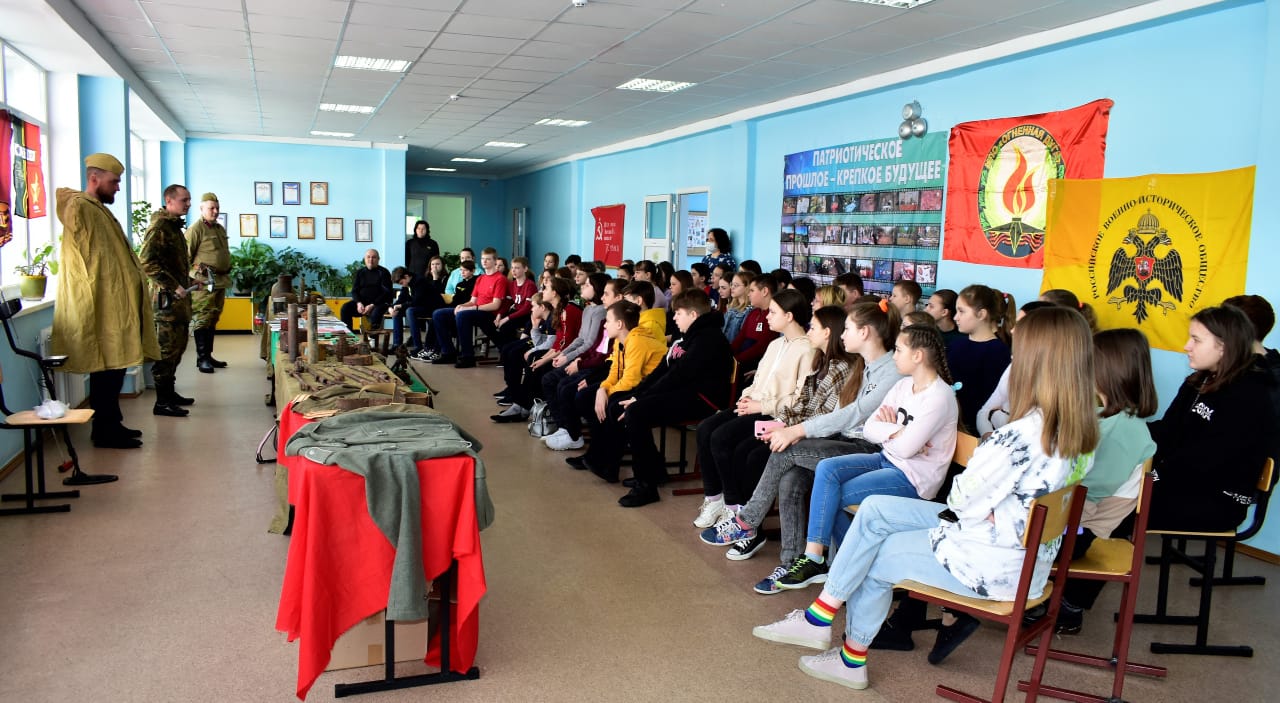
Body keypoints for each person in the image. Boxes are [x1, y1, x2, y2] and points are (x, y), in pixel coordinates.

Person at [751, 306, 1098, 693]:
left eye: (1019, 354)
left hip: (990, 563)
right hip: (1022, 555)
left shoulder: (1017, 437)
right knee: (874, 510)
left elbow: (962, 500)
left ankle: (848, 656)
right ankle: (819, 617)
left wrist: (982, 483)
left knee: (875, 554)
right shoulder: (1079, 432)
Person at [731, 325, 958, 593]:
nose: (894, 355)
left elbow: (906, 449)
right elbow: (871, 429)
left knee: (832, 494)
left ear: (918, 356)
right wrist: (898, 432)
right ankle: (820, 558)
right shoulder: (904, 385)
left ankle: (837, 563)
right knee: (828, 470)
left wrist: (895, 435)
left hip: (912, 478)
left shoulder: (939, 396)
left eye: (899, 350)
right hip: (888, 460)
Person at [702, 301, 904, 589]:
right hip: (843, 441)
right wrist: (795, 429)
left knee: (787, 449)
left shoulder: (891, 371)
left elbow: (855, 414)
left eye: (847, 329)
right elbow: (841, 415)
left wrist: (797, 431)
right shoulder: (864, 365)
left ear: (865, 332)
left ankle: (746, 520)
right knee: (790, 480)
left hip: (866, 451)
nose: (842, 335)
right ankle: (793, 563)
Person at [581, 290, 733, 506]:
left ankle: (646, 486)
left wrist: (640, 399)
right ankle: (645, 469)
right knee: (621, 404)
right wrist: (638, 394)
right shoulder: (686, 335)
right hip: (683, 392)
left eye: (678, 313)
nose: (674, 318)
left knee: (635, 412)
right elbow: (662, 370)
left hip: (703, 400)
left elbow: (678, 375)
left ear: (693, 315)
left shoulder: (709, 338)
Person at [51, 153, 160, 449]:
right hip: (101, 307)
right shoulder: (80, 206)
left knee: (115, 367)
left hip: (114, 306)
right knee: (106, 370)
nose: (118, 187)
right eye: (114, 181)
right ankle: (104, 431)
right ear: (94, 178)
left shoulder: (98, 209)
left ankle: (112, 423)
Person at [1148, 305, 1277, 533]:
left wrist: (1153, 478)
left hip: (1218, 501)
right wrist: (1128, 435)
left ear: (1224, 346)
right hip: (1185, 484)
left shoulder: (1250, 395)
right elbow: (1167, 431)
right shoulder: (1198, 381)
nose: (1187, 346)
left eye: (1196, 340)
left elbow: (1209, 460)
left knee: (1118, 505)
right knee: (1112, 495)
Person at [694, 290, 816, 528]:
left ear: (789, 316)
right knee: (705, 428)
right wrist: (746, 398)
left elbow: (800, 398)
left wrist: (761, 405)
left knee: (721, 438)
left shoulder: (807, 350)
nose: (767, 316)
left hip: (775, 414)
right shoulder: (775, 344)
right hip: (753, 405)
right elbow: (758, 380)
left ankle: (733, 505)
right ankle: (714, 498)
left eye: (773, 312)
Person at [564, 300, 668, 464]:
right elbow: (614, 372)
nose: (605, 325)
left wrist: (606, 392)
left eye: (608, 321)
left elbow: (630, 380)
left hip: (658, 389)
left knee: (610, 404)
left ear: (619, 324)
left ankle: (605, 459)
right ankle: (598, 455)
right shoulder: (621, 341)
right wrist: (602, 388)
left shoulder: (637, 341)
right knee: (588, 397)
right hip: (641, 386)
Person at [491, 276, 582, 422]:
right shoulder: (559, 311)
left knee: (536, 360)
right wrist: (544, 358)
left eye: (546, 288)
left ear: (554, 293)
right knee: (535, 359)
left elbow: (565, 344)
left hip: (572, 355)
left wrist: (544, 359)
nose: (542, 291)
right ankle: (522, 404)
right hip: (562, 352)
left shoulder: (568, 311)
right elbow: (558, 344)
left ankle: (525, 405)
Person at [140, 184, 196, 418]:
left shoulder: (174, 226)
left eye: (189, 200)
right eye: (184, 200)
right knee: (166, 352)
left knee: (177, 349)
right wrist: (174, 285)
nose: (188, 204)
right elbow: (146, 262)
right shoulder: (160, 227)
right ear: (169, 201)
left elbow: (174, 264)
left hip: (178, 301)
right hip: (166, 303)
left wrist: (189, 280)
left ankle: (170, 394)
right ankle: (162, 402)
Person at [947, 284, 1014, 433]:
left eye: (961, 311)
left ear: (981, 314)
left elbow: (990, 402)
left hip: (974, 431)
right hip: (947, 424)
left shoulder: (998, 353)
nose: (955, 317)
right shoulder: (955, 344)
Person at [431, 247, 506, 368]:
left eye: (488, 259)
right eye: (483, 259)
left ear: (494, 261)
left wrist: (472, 308)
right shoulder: (480, 278)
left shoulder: (500, 279)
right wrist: (461, 306)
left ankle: (467, 356)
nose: (484, 261)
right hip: (475, 310)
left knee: (463, 315)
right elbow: (472, 301)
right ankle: (448, 352)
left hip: (488, 313)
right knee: (438, 314)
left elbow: (495, 305)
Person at [185, 191, 231, 372]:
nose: (215, 211)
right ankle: (202, 358)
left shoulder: (219, 228)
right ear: (202, 208)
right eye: (211, 208)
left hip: (219, 280)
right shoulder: (195, 229)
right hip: (203, 282)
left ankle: (208, 356)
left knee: (213, 318)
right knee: (203, 318)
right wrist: (192, 278)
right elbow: (185, 258)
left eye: (217, 208)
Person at [389, 266, 446, 354]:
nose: (402, 285)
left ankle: (417, 345)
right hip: (421, 307)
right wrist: (392, 307)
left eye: (401, 282)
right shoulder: (406, 284)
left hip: (432, 307)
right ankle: (397, 345)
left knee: (410, 311)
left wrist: (400, 305)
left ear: (406, 276)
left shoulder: (420, 281)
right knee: (397, 312)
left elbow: (416, 301)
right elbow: (401, 299)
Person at [731, 274, 780, 375]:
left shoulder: (774, 316)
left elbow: (761, 347)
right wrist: (728, 355)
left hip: (757, 366)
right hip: (741, 361)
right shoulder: (753, 313)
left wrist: (736, 359)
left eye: (752, 290)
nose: (748, 294)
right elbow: (740, 338)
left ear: (765, 291)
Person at [339, 249, 393, 332]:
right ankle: (349, 335)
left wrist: (372, 305)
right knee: (345, 308)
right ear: (365, 259)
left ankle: (373, 338)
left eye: (374, 257)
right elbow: (354, 290)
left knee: (375, 314)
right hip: (362, 304)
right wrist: (358, 303)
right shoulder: (360, 272)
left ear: (378, 259)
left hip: (378, 303)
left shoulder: (384, 272)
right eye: (368, 257)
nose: (371, 260)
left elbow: (386, 293)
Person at [493, 256, 536, 347]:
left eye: (517, 268)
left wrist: (507, 318)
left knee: (506, 326)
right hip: (516, 313)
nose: (513, 270)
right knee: (495, 323)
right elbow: (507, 303)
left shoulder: (530, 285)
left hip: (526, 315)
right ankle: (505, 349)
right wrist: (499, 315)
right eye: (512, 267)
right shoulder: (512, 285)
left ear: (525, 269)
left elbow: (527, 308)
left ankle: (511, 349)